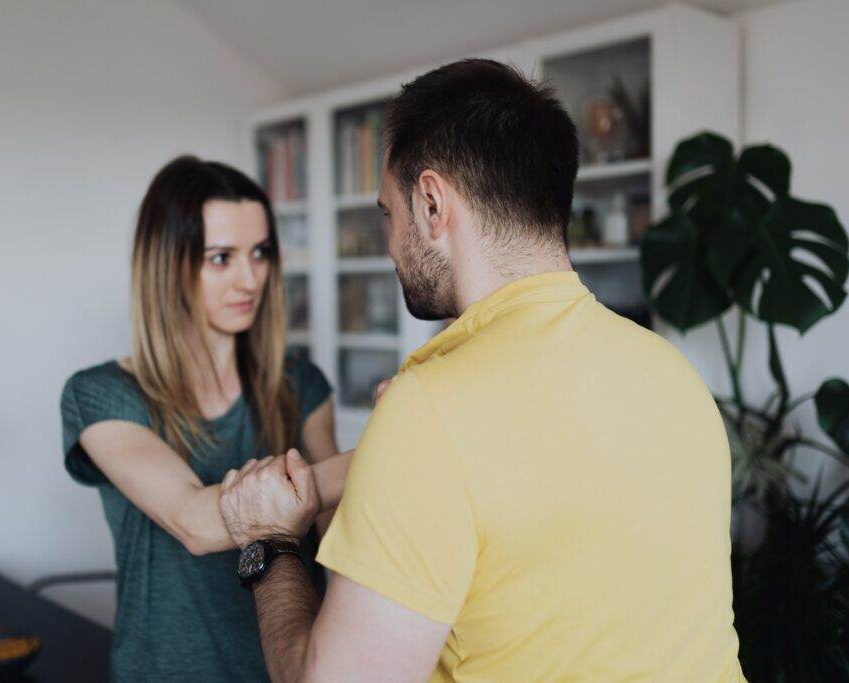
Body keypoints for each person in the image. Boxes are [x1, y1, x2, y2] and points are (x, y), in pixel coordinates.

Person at [218, 59, 746, 681]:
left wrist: (270, 543)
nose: (389, 243)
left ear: (431, 203)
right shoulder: (674, 374)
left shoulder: (430, 411)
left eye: (388, 214)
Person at [59, 156, 353, 682]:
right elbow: (193, 522)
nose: (250, 279)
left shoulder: (299, 382)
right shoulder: (102, 394)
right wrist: (402, 446)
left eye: (260, 253)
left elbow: (339, 533)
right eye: (221, 258)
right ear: (166, 265)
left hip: (288, 666)